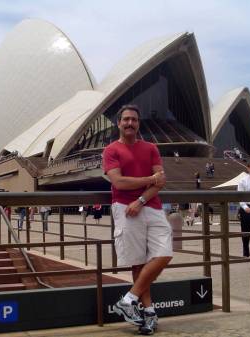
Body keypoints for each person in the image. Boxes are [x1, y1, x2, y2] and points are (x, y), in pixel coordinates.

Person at [103, 104, 172, 335]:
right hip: (123, 207)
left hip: (149, 206)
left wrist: (141, 199)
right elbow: (119, 183)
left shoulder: (151, 148)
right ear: (119, 123)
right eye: (126, 119)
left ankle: (128, 299)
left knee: (164, 253)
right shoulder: (111, 150)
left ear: (138, 123)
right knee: (138, 262)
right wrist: (150, 179)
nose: (129, 123)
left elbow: (160, 182)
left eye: (133, 119)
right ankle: (149, 314)